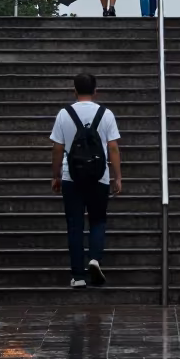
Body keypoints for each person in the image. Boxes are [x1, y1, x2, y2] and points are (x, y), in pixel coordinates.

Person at [50, 72, 122, 288]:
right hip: (99, 176)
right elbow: (113, 147)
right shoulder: (106, 114)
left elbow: (57, 148)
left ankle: (78, 276)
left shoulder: (64, 114)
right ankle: (94, 259)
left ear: (74, 90)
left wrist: (56, 176)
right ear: (95, 91)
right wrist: (117, 176)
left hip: (71, 177)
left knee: (75, 225)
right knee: (98, 220)